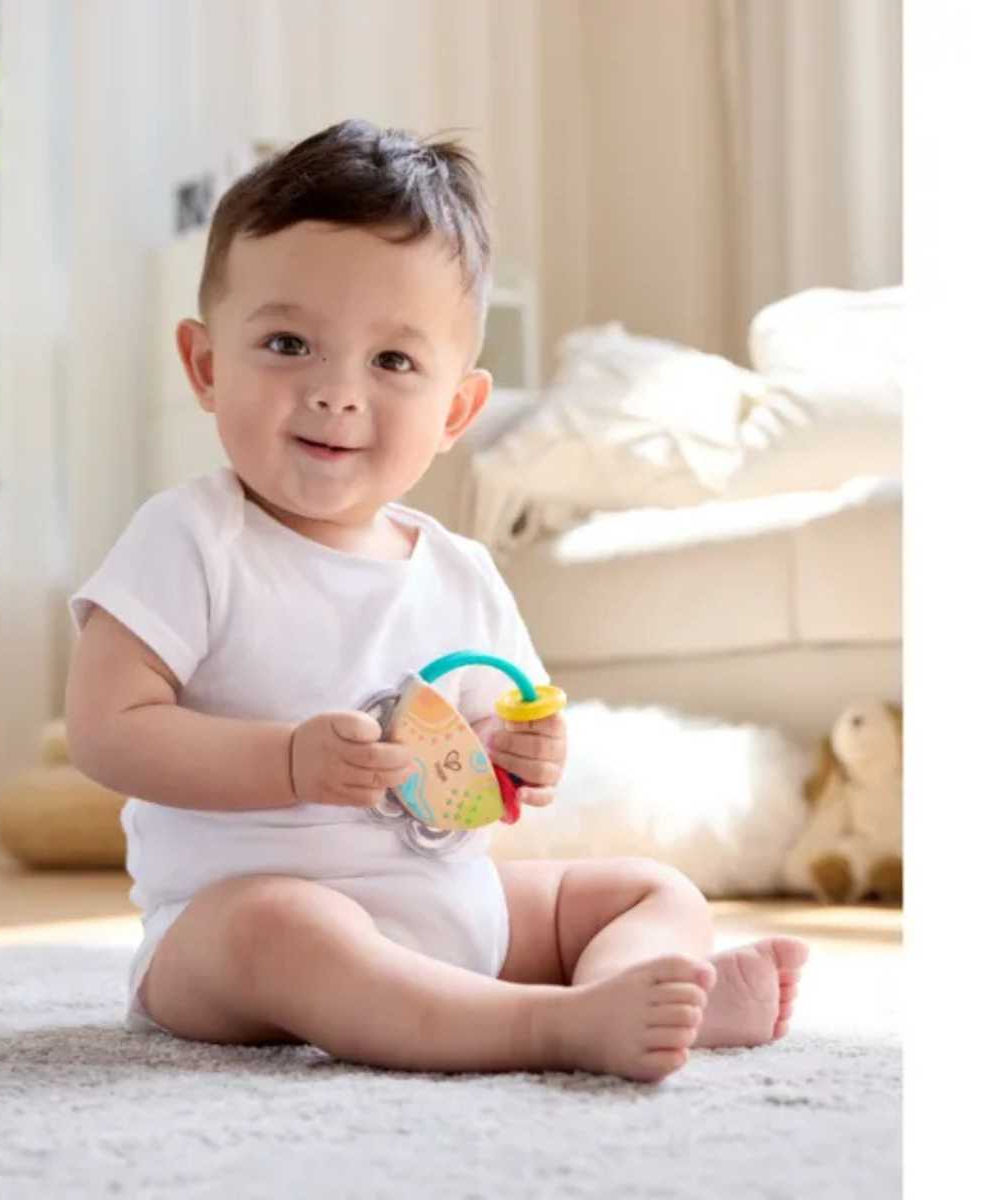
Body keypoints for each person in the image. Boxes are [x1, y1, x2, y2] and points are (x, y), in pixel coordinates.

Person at [65, 119, 808, 1082]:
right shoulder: (193, 537)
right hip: (234, 938)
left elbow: (494, 742)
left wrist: (521, 754)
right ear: (207, 366)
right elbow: (107, 732)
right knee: (285, 925)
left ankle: (631, 989)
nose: (335, 392)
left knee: (649, 889)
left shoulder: (462, 573)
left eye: (392, 362)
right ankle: (546, 1027)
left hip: (454, 910)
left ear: (457, 409)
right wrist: (286, 762)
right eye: (288, 343)